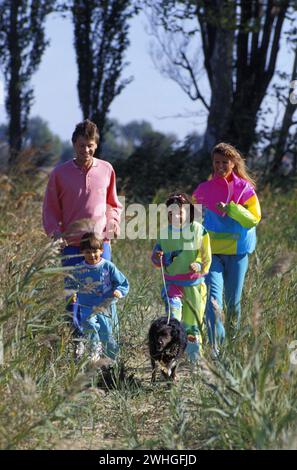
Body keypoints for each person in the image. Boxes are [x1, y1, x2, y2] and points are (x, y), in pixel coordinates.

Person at [42, 119, 122, 309]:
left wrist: (113, 223)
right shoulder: (60, 174)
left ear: (96, 145)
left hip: (99, 245)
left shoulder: (106, 169)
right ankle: (75, 338)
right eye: (81, 145)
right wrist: (55, 234)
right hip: (71, 245)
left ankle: (103, 337)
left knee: (103, 293)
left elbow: (113, 204)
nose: (86, 150)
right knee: (73, 297)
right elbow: (50, 208)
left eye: (90, 146)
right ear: (73, 144)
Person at [192, 142, 261, 352]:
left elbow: (253, 219)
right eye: (216, 162)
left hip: (238, 252)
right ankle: (217, 350)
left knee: (233, 304)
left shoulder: (245, 189)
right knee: (213, 302)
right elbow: (192, 221)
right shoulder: (203, 189)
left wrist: (232, 209)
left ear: (233, 164)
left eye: (224, 162)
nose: (220, 166)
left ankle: (232, 347)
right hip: (211, 253)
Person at [151, 192, 211, 361]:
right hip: (172, 285)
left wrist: (199, 264)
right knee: (174, 322)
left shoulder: (199, 230)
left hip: (194, 286)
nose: (175, 216)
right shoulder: (164, 233)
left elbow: (206, 254)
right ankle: (171, 358)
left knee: (192, 325)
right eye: (171, 213)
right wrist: (158, 257)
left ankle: (195, 361)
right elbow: (156, 256)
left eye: (179, 212)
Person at [72, 232, 129, 362]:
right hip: (86, 305)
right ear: (82, 252)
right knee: (89, 325)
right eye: (87, 252)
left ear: (102, 250)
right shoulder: (79, 268)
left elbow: (123, 283)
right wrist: (72, 293)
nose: (92, 255)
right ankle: (94, 352)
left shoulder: (107, 266)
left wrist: (118, 291)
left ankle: (111, 361)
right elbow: (71, 283)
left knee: (108, 334)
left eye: (95, 251)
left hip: (105, 306)